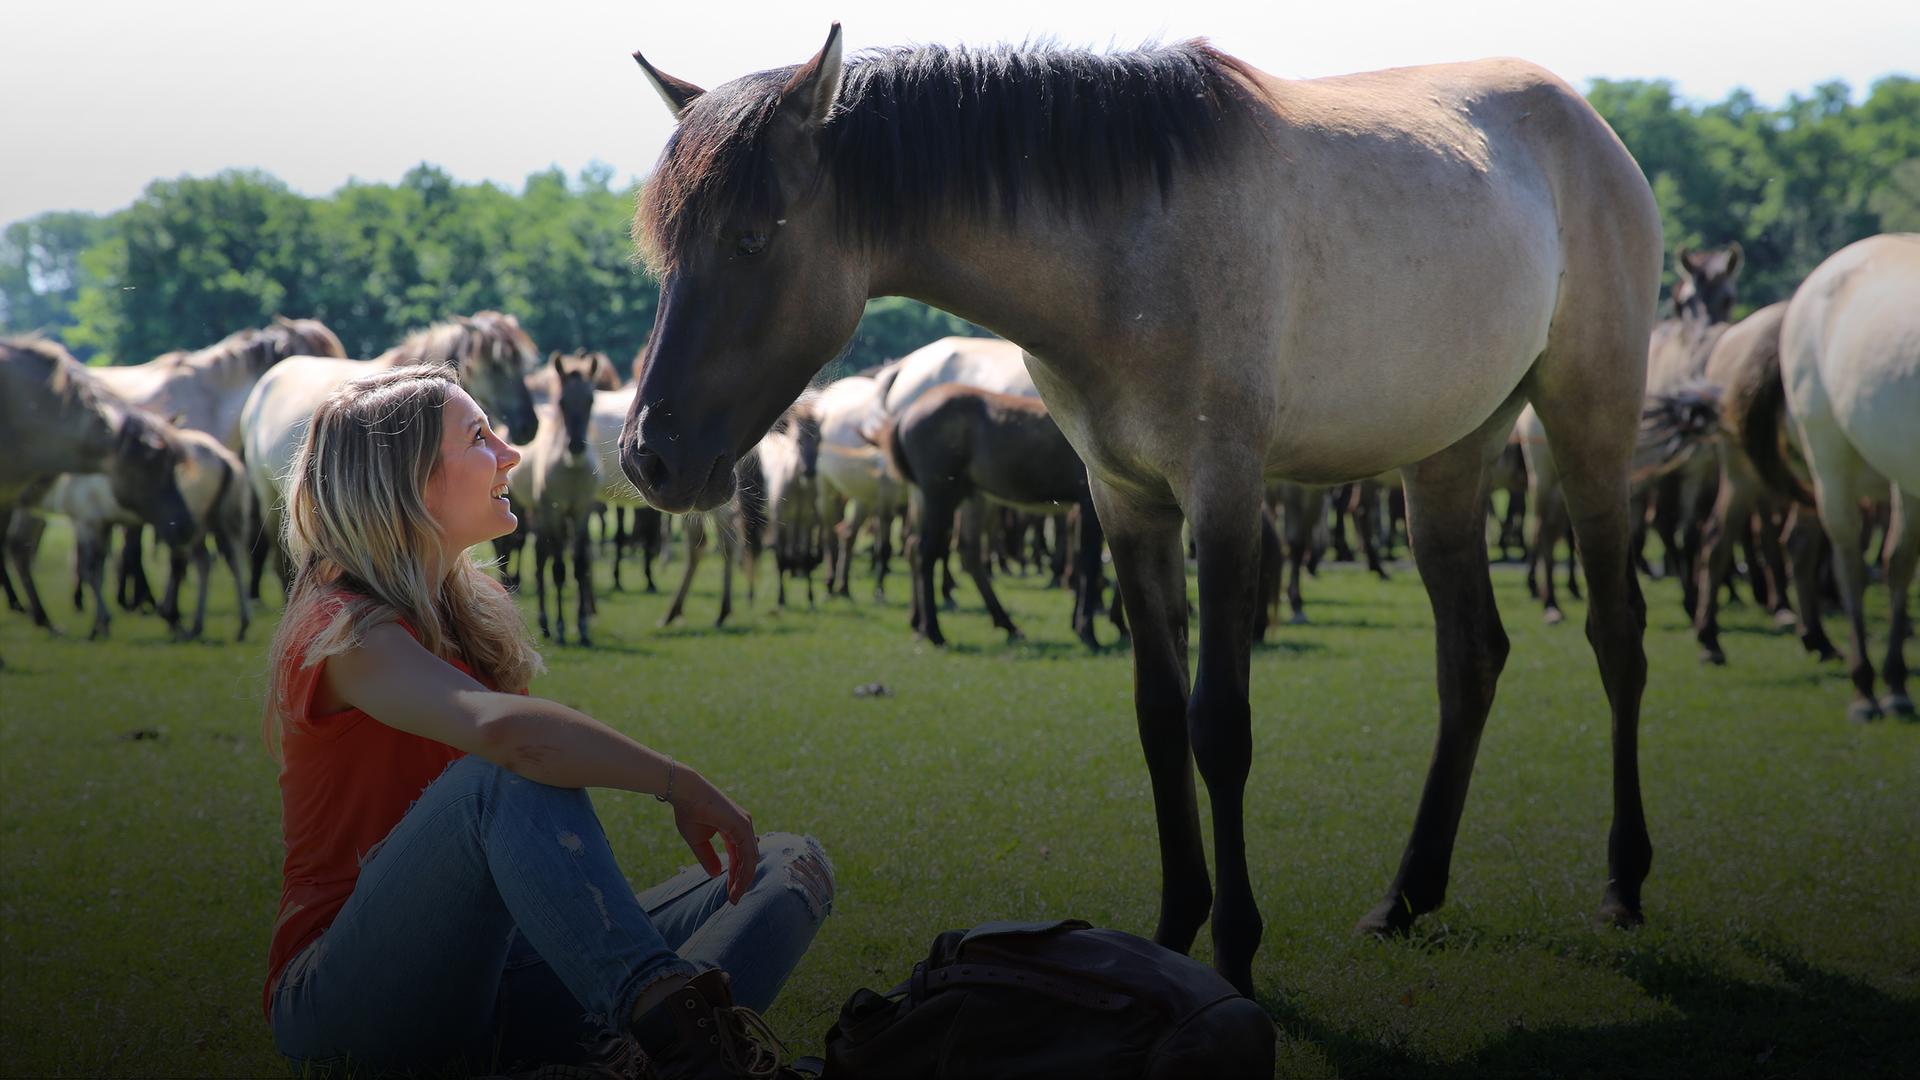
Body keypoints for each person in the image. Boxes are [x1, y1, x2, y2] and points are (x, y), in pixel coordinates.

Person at [261, 365, 832, 1078]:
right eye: (479, 438)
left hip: (501, 967)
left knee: (788, 865)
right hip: (347, 994)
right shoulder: (341, 631)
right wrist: (677, 782)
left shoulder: (469, 611)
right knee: (502, 778)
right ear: (407, 481)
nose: (512, 453)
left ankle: (654, 1053)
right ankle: (685, 1038)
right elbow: (513, 739)